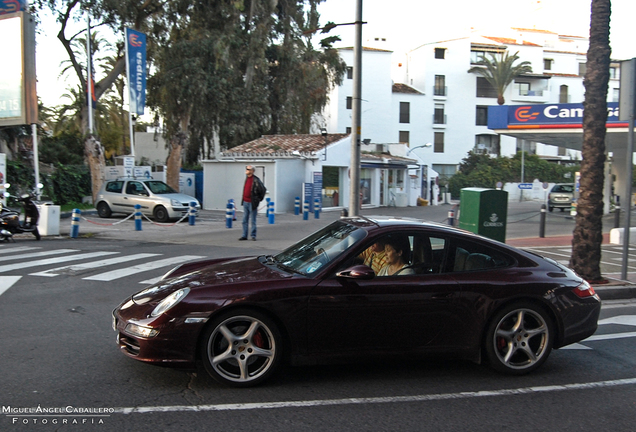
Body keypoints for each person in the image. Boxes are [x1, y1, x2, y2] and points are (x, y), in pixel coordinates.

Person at [239, 165, 266, 241]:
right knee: (244, 220)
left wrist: (258, 199)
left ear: (252, 171)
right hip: (245, 201)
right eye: (246, 169)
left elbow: (262, 190)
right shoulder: (247, 179)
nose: (247, 170)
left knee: (253, 220)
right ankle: (244, 235)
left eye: (248, 169)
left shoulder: (256, 180)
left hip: (252, 202)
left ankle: (253, 235)